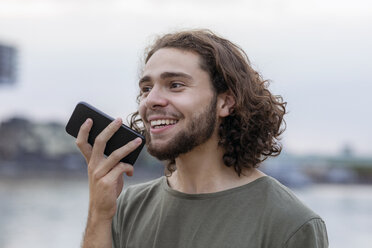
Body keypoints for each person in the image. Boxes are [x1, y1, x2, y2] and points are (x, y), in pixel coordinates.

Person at [76, 29, 329, 248]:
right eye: (146, 88)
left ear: (225, 102)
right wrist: (99, 214)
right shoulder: (128, 206)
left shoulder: (291, 223)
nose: (151, 100)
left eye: (175, 85)